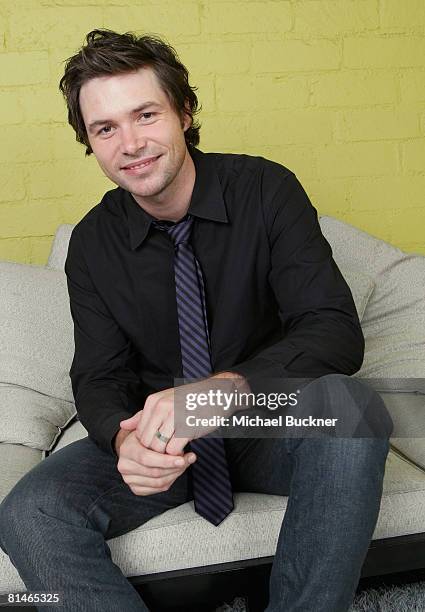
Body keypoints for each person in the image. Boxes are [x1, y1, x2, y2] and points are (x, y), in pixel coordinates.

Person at [0, 29, 393, 612]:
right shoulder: (92, 244)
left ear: (184, 112)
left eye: (145, 115)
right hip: (165, 442)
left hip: (266, 424)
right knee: (28, 511)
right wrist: (123, 437)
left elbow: (332, 327)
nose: (130, 143)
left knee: (352, 408)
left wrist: (223, 391)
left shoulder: (266, 189)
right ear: (89, 142)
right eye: (106, 128)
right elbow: (100, 374)